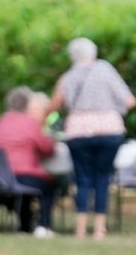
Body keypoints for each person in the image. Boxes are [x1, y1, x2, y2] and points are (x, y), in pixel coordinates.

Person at [48, 37, 136, 240]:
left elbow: (54, 104)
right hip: (109, 130)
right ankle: (99, 229)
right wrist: (112, 109)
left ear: (72, 55)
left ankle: (80, 229)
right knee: (102, 178)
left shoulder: (68, 76)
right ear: (93, 53)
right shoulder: (105, 69)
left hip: (78, 131)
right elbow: (129, 100)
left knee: (82, 178)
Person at [0, 87, 56, 237]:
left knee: (24, 193)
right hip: (23, 173)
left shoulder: (1, 121)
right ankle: (44, 226)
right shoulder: (30, 123)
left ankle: (24, 226)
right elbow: (47, 148)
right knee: (49, 186)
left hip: (1, 176)